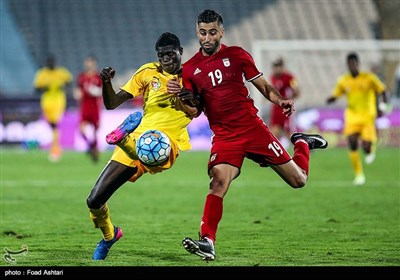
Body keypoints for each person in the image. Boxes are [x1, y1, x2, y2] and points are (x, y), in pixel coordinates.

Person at [167, 9, 328, 261]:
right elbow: (194, 111)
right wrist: (180, 97)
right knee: (217, 182)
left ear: (221, 32)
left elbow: (263, 86)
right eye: (202, 33)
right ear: (197, 33)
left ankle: (301, 143)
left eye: (212, 32)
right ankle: (207, 240)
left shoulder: (238, 55)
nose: (207, 38)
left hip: (253, 128)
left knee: (299, 180)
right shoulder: (189, 70)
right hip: (225, 135)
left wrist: (280, 100)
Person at [86, 32, 201, 261]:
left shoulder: (192, 76)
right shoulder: (148, 72)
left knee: (153, 150)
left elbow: (197, 111)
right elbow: (112, 103)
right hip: (140, 136)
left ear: (180, 52)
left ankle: (122, 138)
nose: (166, 60)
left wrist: (182, 97)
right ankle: (110, 236)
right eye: (162, 56)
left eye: (171, 54)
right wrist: (106, 82)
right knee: (94, 200)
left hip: (168, 142)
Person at [326, 52, 389, 186]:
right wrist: (332, 98)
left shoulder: (369, 78)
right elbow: (337, 93)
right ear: (347, 65)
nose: (352, 66)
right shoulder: (344, 80)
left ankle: (370, 149)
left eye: (354, 63)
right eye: (349, 64)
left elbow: (383, 90)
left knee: (366, 147)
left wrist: (383, 106)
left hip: (367, 116)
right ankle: (359, 174)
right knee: (352, 142)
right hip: (352, 116)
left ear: (358, 64)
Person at [33, 54, 73, 162]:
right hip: (46, 101)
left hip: (58, 101)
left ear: (54, 63)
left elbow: (69, 81)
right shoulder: (42, 74)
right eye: (49, 63)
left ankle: (55, 149)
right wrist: (45, 87)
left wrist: (63, 86)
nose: (50, 64)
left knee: (55, 124)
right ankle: (55, 147)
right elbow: (36, 88)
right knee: (52, 125)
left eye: (52, 62)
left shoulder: (61, 72)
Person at [74, 55, 103, 162]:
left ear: (94, 63)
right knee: (81, 130)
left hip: (94, 107)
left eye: (91, 62)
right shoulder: (81, 77)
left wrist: (94, 91)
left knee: (95, 131)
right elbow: (78, 90)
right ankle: (91, 146)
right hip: (85, 107)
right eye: (88, 61)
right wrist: (77, 94)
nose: (89, 64)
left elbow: (102, 92)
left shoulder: (99, 77)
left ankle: (94, 152)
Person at [269, 57, 300, 148]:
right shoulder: (272, 78)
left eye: (278, 66)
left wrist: (289, 99)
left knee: (289, 134)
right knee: (273, 134)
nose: (276, 69)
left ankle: (303, 146)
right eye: (275, 66)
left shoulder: (289, 77)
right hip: (276, 109)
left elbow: (297, 91)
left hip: (286, 109)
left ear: (282, 67)